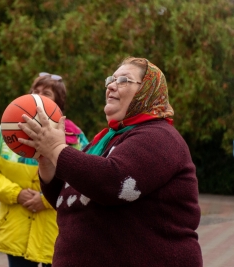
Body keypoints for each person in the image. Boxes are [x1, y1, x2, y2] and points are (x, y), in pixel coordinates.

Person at [18, 57, 203, 266]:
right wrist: (46, 161)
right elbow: (65, 199)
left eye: (124, 80)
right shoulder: (104, 141)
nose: (111, 86)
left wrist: (56, 149)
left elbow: (113, 183)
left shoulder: (160, 137)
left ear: (148, 91)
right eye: (110, 80)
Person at [0, 73, 88, 267]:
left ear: (58, 102)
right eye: (35, 92)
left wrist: (45, 199)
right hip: (15, 231)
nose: (38, 98)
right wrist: (16, 194)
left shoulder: (75, 137)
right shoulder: (6, 131)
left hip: (53, 235)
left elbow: (83, 182)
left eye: (46, 93)